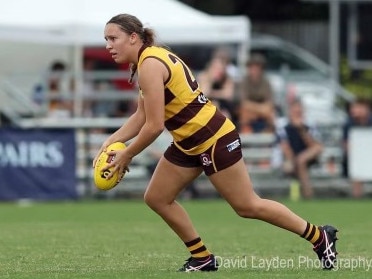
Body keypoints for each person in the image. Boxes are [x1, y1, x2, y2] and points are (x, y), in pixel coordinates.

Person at [93, 14, 338, 272]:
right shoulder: (147, 60)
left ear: (133, 37)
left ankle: (319, 236)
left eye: (113, 38)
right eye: (106, 39)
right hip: (189, 141)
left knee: (247, 205)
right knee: (157, 197)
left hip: (213, 138)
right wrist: (111, 140)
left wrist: (126, 154)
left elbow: (154, 126)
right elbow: (141, 116)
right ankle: (202, 258)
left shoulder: (150, 65)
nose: (108, 45)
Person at [278, 100, 323, 199]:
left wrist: (301, 130)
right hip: (291, 159)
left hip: (308, 157)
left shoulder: (309, 126)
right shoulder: (283, 127)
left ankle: (306, 194)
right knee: (298, 162)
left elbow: (314, 146)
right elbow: (285, 147)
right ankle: (308, 194)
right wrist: (293, 160)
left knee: (308, 155)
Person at [342, 99, 372, 198]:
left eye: (358, 107)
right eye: (353, 107)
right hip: (356, 158)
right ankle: (357, 198)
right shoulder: (348, 124)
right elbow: (346, 144)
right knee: (356, 170)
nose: (355, 110)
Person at [239, 53, 275, 133]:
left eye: (257, 68)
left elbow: (270, 103)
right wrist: (260, 109)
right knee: (244, 114)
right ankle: (246, 136)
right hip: (251, 111)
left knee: (271, 115)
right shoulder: (244, 82)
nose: (254, 71)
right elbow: (244, 102)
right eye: (252, 68)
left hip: (263, 112)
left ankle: (268, 137)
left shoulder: (266, 82)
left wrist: (261, 110)